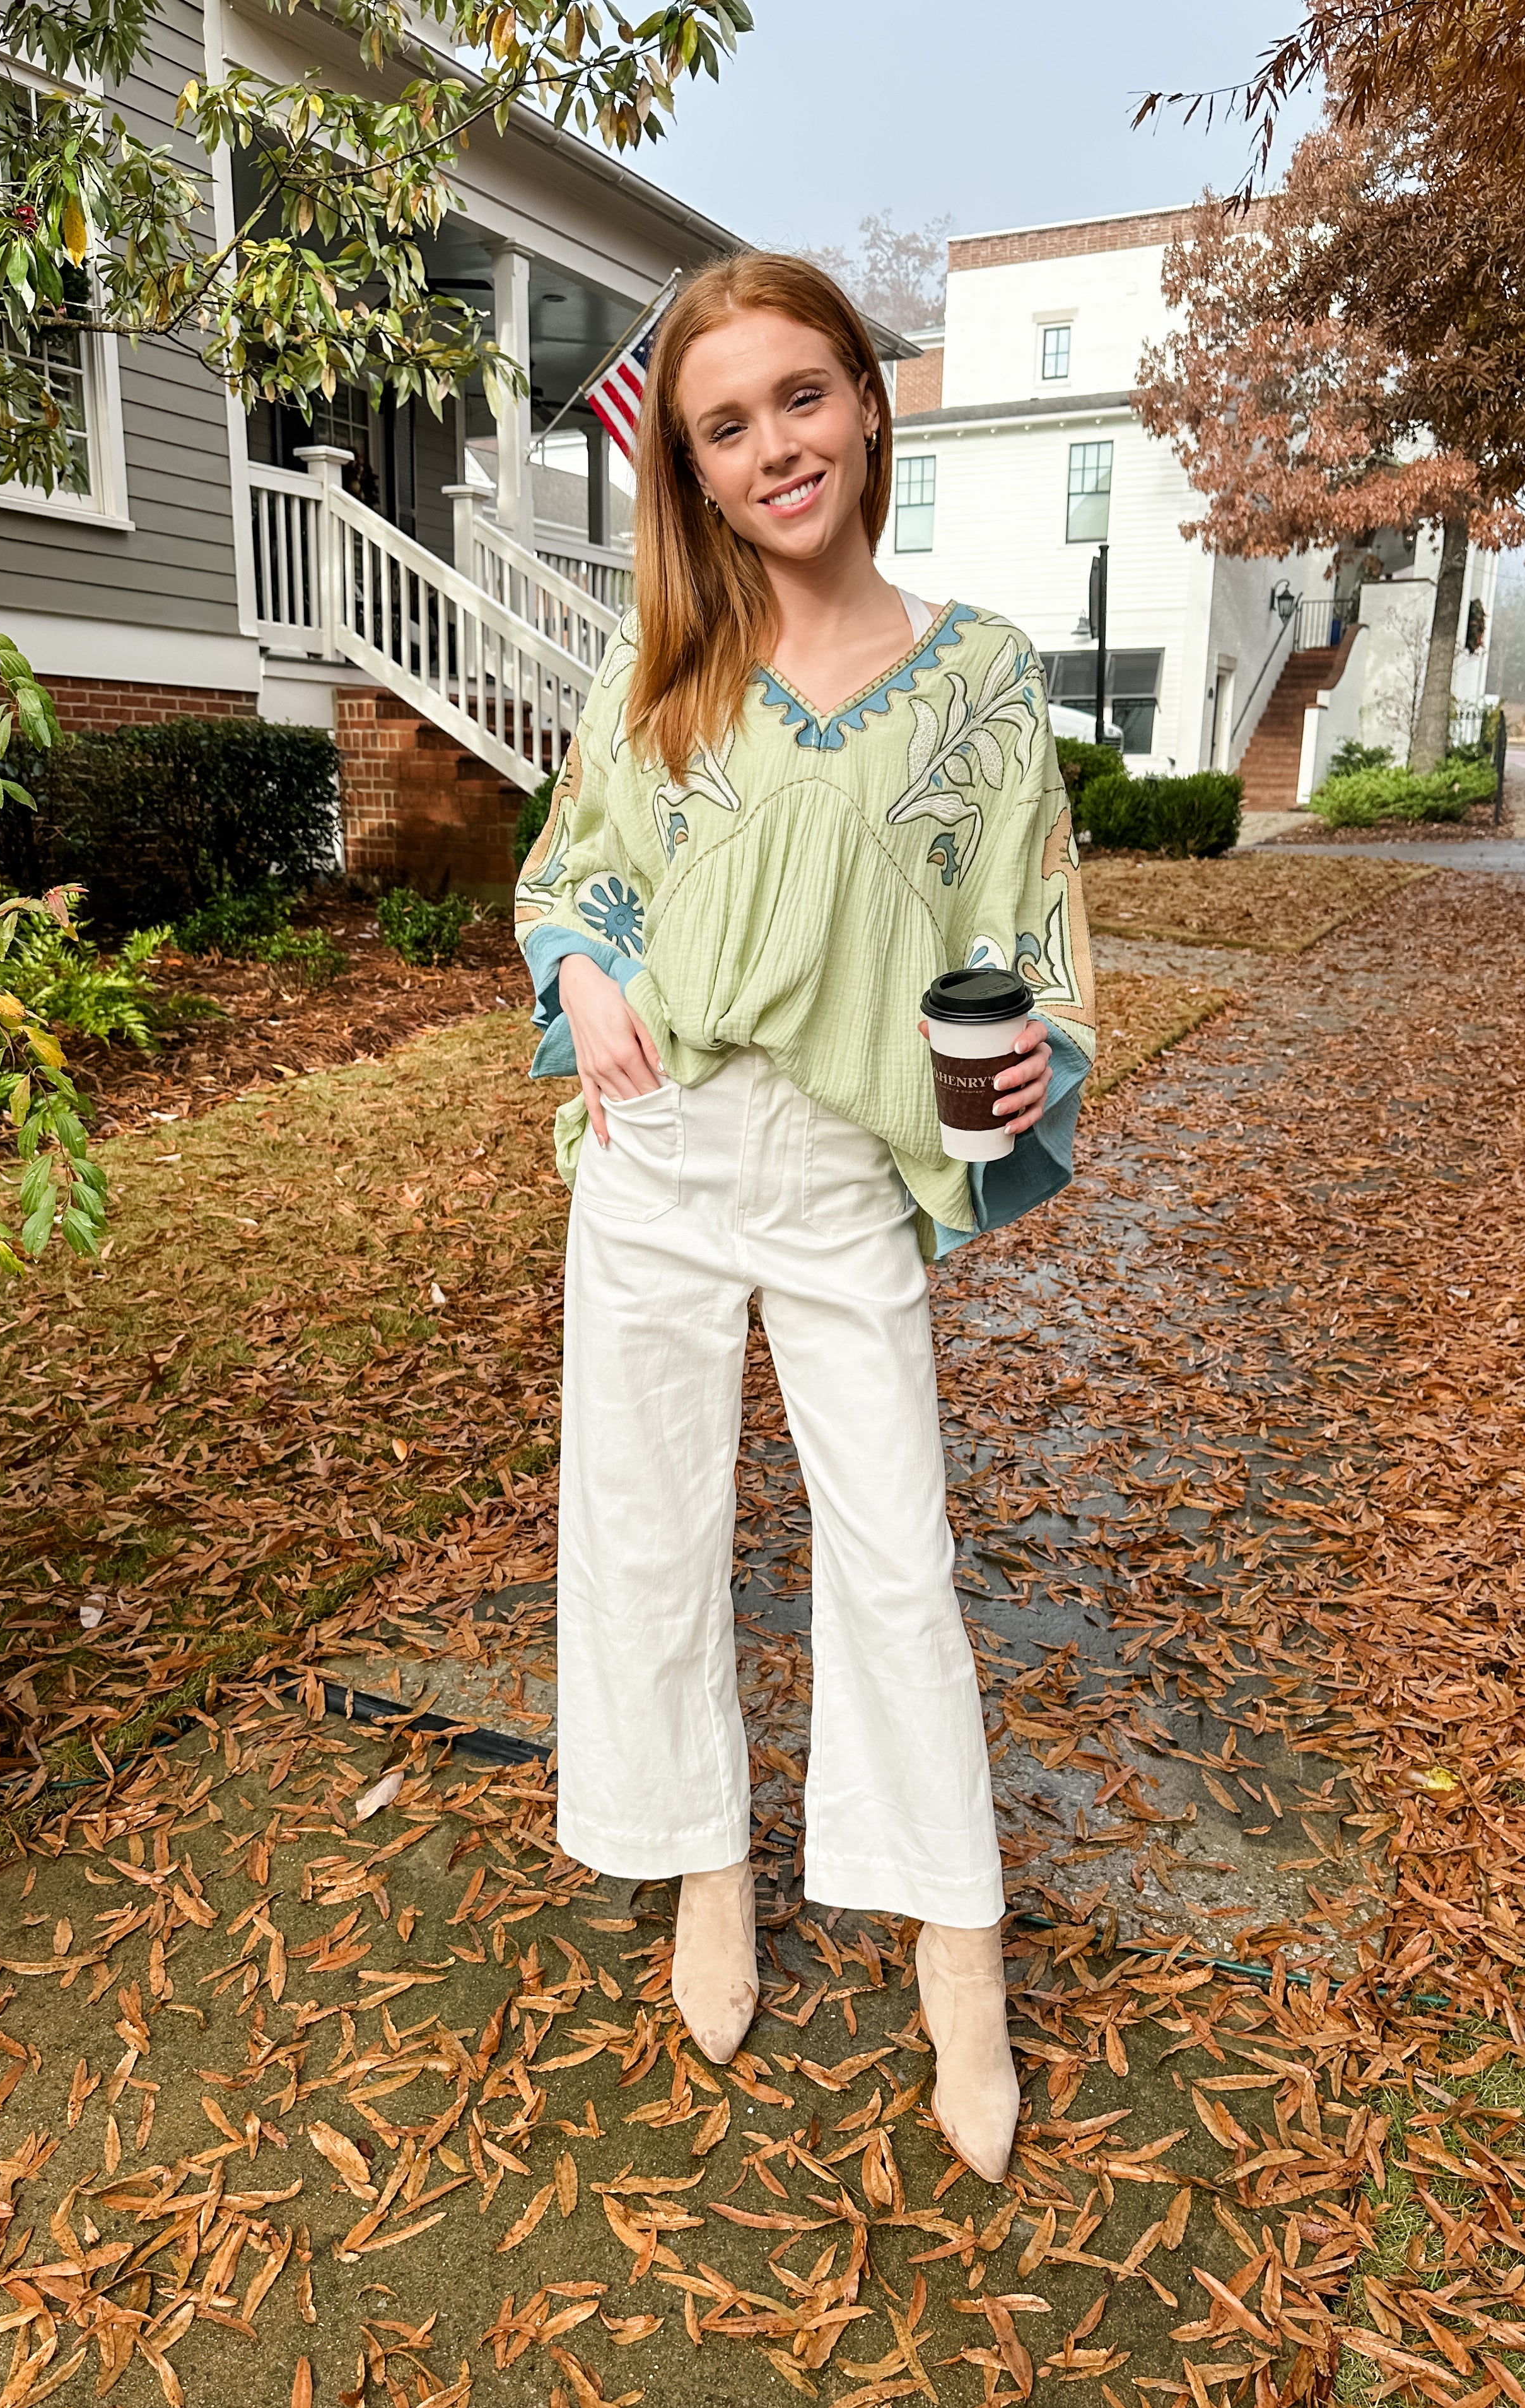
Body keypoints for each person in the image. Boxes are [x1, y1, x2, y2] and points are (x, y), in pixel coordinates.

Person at [513, 253, 1098, 2183]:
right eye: (727, 424)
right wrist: (589, 982)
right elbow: (571, 880)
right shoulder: (659, 665)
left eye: (804, 398)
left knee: (895, 1560)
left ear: (869, 399)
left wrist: (1033, 1074)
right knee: (651, 1530)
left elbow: (1032, 955)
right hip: (661, 1152)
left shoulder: (988, 679)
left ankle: (958, 1940)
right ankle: (709, 1866)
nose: (778, 447)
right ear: (688, 464)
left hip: (848, 1168)